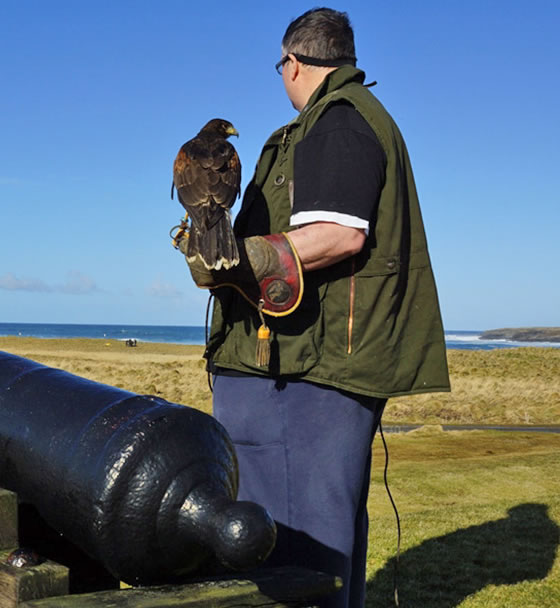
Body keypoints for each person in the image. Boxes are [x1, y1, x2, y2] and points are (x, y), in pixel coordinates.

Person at [179, 8, 450, 608]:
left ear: (294, 63)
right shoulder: (345, 122)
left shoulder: (336, 123)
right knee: (323, 542)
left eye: (281, 66)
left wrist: (233, 261)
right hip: (305, 369)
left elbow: (337, 234)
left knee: (289, 545)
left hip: (299, 375)